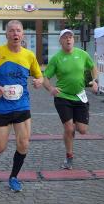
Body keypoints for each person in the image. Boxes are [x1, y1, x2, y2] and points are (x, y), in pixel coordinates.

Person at [0, 20, 43, 192]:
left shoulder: (29, 55)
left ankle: (14, 177)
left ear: (22, 34)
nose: (15, 34)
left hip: (21, 105)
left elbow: (39, 76)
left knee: (24, 143)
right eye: (11, 31)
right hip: (0, 106)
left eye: (18, 31)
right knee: (0, 148)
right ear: (6, 34)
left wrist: (39, 81)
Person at [42, 29, 98, 169]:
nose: (68, 39)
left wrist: (95, 81)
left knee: (82, 130)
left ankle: (73, 128)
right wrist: (51, 89)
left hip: (80, 96)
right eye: (65, 37)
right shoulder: (56, 58)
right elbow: (45, 78)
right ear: (60, 41)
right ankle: (69, 157)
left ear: (73, 40)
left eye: (70, 37)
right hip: (63, 97)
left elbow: (93, 67)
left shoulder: (82, 54)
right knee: (68, 127)